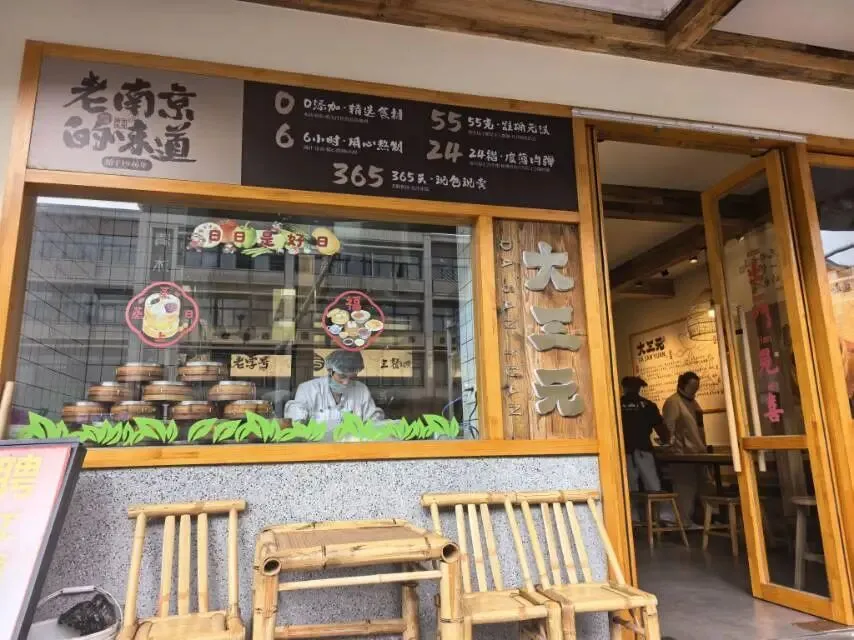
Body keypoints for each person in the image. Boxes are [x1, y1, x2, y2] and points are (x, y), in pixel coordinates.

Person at [284, 350, 384, 431]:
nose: (346, 382)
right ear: (330, 370)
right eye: (342, 376)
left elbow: (374, 422)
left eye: (352, 377)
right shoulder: (308, 390)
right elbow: (295, 422)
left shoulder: (361, 391)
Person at [621, 376, 674, 522]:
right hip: (644, 449)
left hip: (624, 451)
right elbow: (661, 429)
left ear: (623, 388)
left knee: (630, 487)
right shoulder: (648, 405)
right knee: (653, 486)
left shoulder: (617, 405)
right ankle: (661, 519)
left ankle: (633, 519)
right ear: (639, 388)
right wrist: (666, 442)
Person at [662, 371, 707, 525]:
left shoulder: (694, 402)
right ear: (683, 385)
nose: (696, 389)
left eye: (697, 386)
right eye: (693, 386)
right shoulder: (673, 402)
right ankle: (683, 521)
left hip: (699, 451)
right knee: (685, 488)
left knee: (703, 485)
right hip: (682, 453)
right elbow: (669, 429)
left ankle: (704, 519)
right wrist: (673, 447)